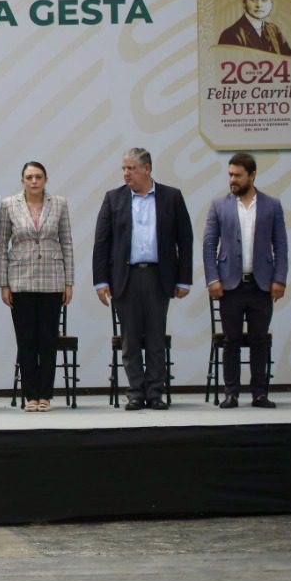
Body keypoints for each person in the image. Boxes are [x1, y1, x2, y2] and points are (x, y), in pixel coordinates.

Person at [92, 147, 193, 411]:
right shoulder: (114, 199)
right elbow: (101, 243)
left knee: (156, 338)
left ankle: (155, 392)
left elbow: (185, 239)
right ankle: (136, 392)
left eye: (131, 168)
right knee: (131, 339)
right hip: (125, 277)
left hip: (159, 276)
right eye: (124, 168)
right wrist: (101, 281)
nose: (126, 173)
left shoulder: (171, 197)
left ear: (147, 169)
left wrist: (184, 280)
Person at [203, 153, 289, 408]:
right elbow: (209, 246)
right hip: (230, 286)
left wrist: (280, 279)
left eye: (238, 175)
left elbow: (281, 246)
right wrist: (212, 279)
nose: (233, 180)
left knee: (258, 340)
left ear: (252, 175)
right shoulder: (219, 205)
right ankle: (231, 392)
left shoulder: (272, 205)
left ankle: (259, 393)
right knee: (231, 341)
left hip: (261, 285)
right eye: (230, 174)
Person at [0, 162, 74, 412]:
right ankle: (30, 395)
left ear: (46, 179)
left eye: (38, 177)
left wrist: (68, 281)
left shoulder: (59, 203)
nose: (34, 181)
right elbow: (1, 246)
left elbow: (67, 243)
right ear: (22, 180)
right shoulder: (9, 204)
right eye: (29, 177)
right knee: (26, 339)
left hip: (52, 279)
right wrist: (3, 283)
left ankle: (46, 395)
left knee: (48, 340)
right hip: (21, 280)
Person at [216, 0, 291, 56]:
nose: (259, 5)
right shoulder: (231, 35)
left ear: (271, 4)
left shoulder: (274, 30)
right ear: (244, 3)